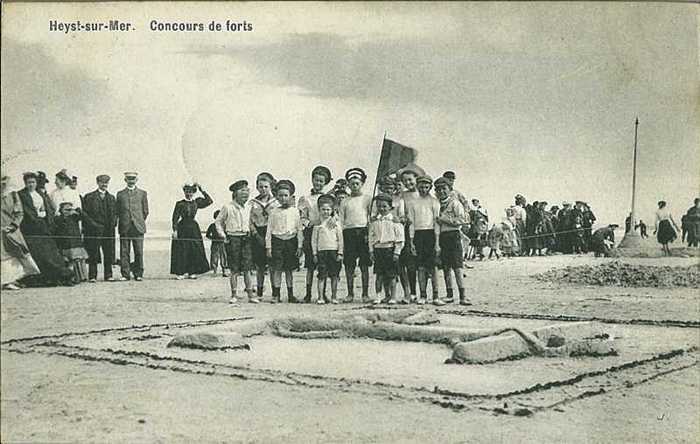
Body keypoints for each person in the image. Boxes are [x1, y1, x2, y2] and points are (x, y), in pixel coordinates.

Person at [17, 172, 73, 286]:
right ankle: (40, 279)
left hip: (44, 226)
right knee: (37, 254)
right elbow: (27, 212)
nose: (31, 185)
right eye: (28, 182)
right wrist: (38, 218)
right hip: (31, 228)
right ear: (25, 183)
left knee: (50, 252)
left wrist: (47, 218)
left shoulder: (40, 194)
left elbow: (48, 208)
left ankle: (57, 277)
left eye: (33, 182)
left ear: (36, 183)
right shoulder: (21, 195)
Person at [297, 166, 332, 303]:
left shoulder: (329, 198)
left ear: (325, 183)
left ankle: (322, 294)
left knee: (324, 265)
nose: (318, 183)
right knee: (310, 265)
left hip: (326, 234)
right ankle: (308, 294)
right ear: (312, 180)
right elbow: (303, 217)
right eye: (316, 180)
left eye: (321, 181)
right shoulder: (305, 198)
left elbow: (334, 215)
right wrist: (310, 223)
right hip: (311, 232)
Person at [407, 175, 444, 306]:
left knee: (433, 267)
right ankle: (423, 295)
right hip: (418, 234)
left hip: (431, 235)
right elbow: (411, 223)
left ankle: (436, 296)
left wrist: (437, 242)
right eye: (421, 186)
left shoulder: (434, 202)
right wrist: (411, 241)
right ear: (417, 186)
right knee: (421, 267)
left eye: (426, 187)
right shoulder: (413, 202)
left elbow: (436, 223)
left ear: (430, 187)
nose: (424, 189)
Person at [216, 180, 255, 304]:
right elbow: (218, 222)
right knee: (234, 269)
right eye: (242, 191)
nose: (245, 194)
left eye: (247, 191)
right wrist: (223, 235)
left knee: (247, 269)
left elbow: (250, 222)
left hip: (246, 239)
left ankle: (250, 295)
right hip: (233, 239)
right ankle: (233, 295)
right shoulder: (228, 207)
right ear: (235, 193)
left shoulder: (249, 207)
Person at [338, 168, 373, 303]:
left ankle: (365, 294)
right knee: (349, 265)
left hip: (363, 232)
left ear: (362, 183)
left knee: (364, 265)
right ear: (348, 184)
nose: (354, 186)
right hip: (349, 233)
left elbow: (371, 217)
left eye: (357, 183)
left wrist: (369, 234)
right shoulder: (345, 201)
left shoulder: (368, 199)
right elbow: (341, 220)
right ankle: (350, 293)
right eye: (351, 183)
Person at [265, 180, 303, 303]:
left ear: (290, 196)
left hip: (291, 242)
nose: (283, 198)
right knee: (277, 270)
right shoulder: (273, 212)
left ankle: (291, 295)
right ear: (276, 197)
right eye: (280, 195)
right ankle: (276, 295)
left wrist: (300, 246)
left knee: (289, 270)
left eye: (285, 195)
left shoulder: (295, 211)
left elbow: (299, 229)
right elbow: (269, 230)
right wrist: (268, 247)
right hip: (277, 242)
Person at [434, 177, 469, 305]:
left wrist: (446, 220)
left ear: (450, 189)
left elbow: (463, 220)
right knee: (446, 267)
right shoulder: (437, 204)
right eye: (438, 189)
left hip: (453, 236)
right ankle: (449, 294)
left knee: (457, 267)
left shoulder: (455, 203)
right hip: (442, 237)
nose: (441, 191)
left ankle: (462, 296)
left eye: (444, 189)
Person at [1, 175, 40, 290]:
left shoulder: (13, 195)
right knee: (3, 256)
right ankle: (5, 281)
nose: (3, 185)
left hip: (11, 230)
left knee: (17, 253)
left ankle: (13, 279)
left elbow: (19, 213)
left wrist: (13, 225)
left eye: (4, 183)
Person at [170, 183, 213, 279]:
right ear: (184, 192)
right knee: (182, 250)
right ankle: (180, 273)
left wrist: (202, 189)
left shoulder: (196, 202)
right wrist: (175, 230)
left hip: (193, 228)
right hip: (182, 228)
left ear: (193, 193)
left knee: (194, 250)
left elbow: (209, 201)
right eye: (187, 192)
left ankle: (192, 272)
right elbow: (175, 218)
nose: (188, 194)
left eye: (190, 192)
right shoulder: (180, 203)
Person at [368, 194, 404, 305]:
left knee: (392, 275)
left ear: (390, 207)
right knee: (379, 275)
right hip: (378, 249)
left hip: (390, 249)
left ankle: (393, 296)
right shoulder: (374, 222)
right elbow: (371, 237)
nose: (381, 209)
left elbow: (400, 238)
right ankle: (380, 296)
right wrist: (371, 251)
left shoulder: (395, 221)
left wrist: (397, 252)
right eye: (379, 206)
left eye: (384, 206)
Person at [81, 174, 117, 282]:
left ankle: (108, 275)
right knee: (93, 253)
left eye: (106, 182)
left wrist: (113, 223)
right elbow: (85, 214)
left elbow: (115, 213)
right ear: (98, 183)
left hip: (108, 230)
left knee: (108, 253)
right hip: (94, 230)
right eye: (102, 182)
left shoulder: (111, 198)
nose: (104, 184)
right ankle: (92, 276)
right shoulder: (89, 197)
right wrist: (92, 225)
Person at [249, 172, 279, 299]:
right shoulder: (253, 203)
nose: (263, 189)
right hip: (258, 233)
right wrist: (256, 234)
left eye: (266, 187)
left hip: (271, 233)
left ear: (271, 186)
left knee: (272, 265)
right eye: (261, 187)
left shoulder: (276, 202)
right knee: (260, 266)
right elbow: (249, 220)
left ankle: (274, 292)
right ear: (257, 187)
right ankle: (260, 291)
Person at [116, 172, 149, 281]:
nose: (131, 181)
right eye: (129, 179)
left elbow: (145, 211)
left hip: (138, 227)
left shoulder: (142, 193)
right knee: (124, 252)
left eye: (133, 179)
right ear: (125, 180)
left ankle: (138, 274)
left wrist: (138, 220)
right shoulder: (120, 194)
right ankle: (125, 274)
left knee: (138, 251)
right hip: (125, 227)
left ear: (136, 180)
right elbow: (118, 211)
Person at [311, 194, 344, 304]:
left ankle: (334, 297)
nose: (325, 212)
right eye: (323, 209)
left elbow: (340, 239)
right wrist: (315, 254)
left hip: (333, 252)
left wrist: (340, 253)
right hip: (321, 253)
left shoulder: (336, 223)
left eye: (328, 209)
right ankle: (320, 297)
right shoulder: (317, 225)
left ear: (332, 210)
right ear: (319, 210)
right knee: (321, 276)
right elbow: (314, 241)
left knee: (334, 275)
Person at [397, 167, 420, 302]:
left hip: (420, 231)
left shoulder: (423, 194)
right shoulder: (402, 195)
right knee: (404, 263)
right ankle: (408, 292)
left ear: (416, 179)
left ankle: (417, 292)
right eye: (405, 180)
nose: (408, 183)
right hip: (405, 231)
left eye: (410, 179)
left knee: (417, 265)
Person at [53, 202, 89, 283]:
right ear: (61, 210)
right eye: (66, 209)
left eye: (70, 209)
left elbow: (86, 218)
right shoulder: (58, 219)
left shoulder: (74, 217)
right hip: (66, 244)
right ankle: (71, 278)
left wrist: (78, 210)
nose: (68, 211)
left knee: (80, 260)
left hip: (77, 242)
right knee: (70, 262)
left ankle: (82, 277)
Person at [206, 210, 229, 276]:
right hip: (215, 243)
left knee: (223, 257)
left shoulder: (224, 225)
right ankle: (214, 271)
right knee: (214, 257)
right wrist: (213, 239)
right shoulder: (212, 225)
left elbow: (227, 233)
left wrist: (226, 239)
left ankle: (224, 271)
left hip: (222, 243)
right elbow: (207, 235)